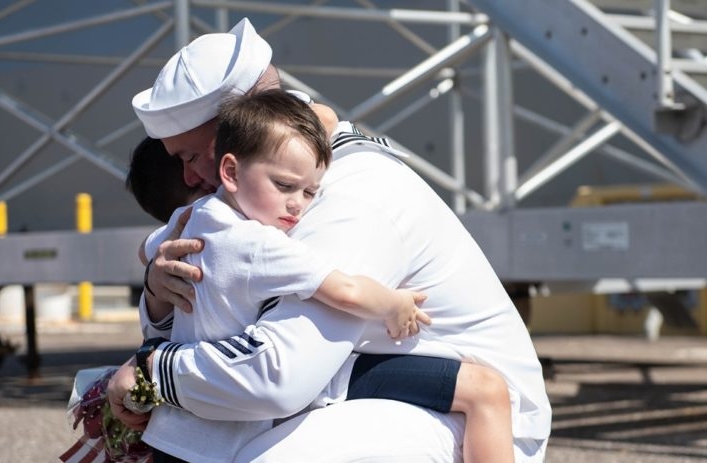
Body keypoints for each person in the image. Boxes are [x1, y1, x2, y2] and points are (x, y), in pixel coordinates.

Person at [109, 18, 551, 462]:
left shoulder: (350, 195)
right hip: (369, 385)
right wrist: (159, 295)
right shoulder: (263, 196)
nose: (187, 177)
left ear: (241, 135)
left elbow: (279, 376)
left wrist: (153, 372)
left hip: (476, 423)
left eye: (190, 156)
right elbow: (217, 325)